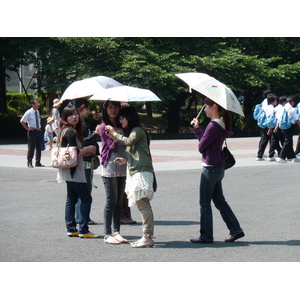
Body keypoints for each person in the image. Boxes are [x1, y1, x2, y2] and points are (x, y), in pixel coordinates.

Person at [190, 97, 244, 243]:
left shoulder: (213, 125)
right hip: (218, 167)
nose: (204, 109)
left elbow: (202, 147)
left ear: (214, 106)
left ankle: (206, 235)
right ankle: (236, 230)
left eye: (206, 106)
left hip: (210, 168)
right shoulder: (220, 124)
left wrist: (197, 129)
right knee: (220, 201)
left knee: (205, 202)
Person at [105, 105, 155, 248]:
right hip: (136, 170)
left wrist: (114, 134)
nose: (120, 121)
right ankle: (147, 236)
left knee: (143, 205)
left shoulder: (138, 130)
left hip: (142, 172)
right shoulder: (134, 131)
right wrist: (126, 160)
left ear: (129, 117)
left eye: (122, 117)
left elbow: (128, 142)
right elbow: (137, 153)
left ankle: (147, 237)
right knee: (142, 205)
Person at [58, 106, 100, 238]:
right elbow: (73, 153)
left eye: (75, 114)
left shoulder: (66, 130)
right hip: (74, 170)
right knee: (86, 197)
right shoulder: (70, 132)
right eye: (70, 115)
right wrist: (87, 149)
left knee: (72, 198)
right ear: (65, 117)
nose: (74, 117)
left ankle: (71, 228)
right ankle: (83, 229)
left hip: (69, 170)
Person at [97, 100, 128, 245]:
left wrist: (115, 133)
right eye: (110, 107)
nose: (113, 110)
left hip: (122, 166)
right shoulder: (103, 127)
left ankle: (117, 231)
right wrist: (114, 135)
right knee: (111, 201)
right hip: (110, 166)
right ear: (105, 109)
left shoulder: (122, 124)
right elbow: (113, 147)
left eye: (115, 107)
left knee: (119, 201)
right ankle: (107, 233)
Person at [74, 99, 100, 226]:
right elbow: (82, 141)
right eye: (87, 109)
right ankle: (82, 217)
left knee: (83, 189)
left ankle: (81, 216)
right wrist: (95, 134)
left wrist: (94, 121)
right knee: (85, 190)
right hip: (83, 159)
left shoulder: (82, 122)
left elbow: (86, 132)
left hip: (86, 159)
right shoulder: (77, 123)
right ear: (80, 109)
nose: (89, 111)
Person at [20, 99, 44, 168]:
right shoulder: (29, 112)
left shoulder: (37, 112)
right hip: (32, 131)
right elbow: (22, 121)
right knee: (31, 147)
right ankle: (29, 162)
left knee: (39, 147)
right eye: (37, 103)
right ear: (32, 104)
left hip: (38, 130)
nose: (38, 104)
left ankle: (38, 162)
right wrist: (27, 128)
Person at [276, 95, 300, 163]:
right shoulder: (292, 109)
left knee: (289, 141)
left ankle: (292, 156)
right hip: (290, 126)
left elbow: (278, 118)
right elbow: (297, 120)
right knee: (287, 141)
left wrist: (277, 126)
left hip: (283, 126)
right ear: (292, 101)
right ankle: (281, 157)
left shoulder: (282, 108)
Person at [256, 89, 274, 161]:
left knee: (265, 138)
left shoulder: (264, 101)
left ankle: (261, 154)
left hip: (262, 123)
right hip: (267, 123)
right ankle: (260, 155)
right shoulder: (267, 102)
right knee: (267, 139)